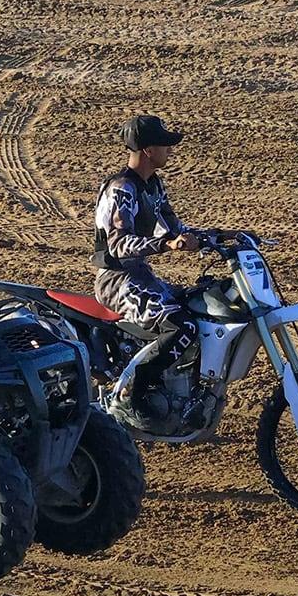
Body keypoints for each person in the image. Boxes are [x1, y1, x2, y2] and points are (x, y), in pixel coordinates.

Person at [89, 114, 205, 426]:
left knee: (198, 307)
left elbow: (176, 228)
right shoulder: (121, 188)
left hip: (139, 275)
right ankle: (133, 394)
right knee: (182, 327)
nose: (170, 149)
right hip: (116, 279)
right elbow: (118, 244)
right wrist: (165, 245)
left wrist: (221, 238)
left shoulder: (153, 185)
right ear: (149, 150)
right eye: (165, 144)